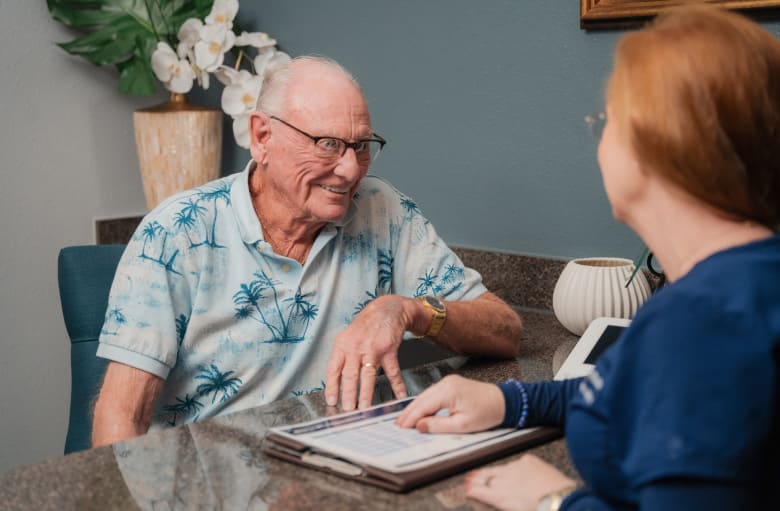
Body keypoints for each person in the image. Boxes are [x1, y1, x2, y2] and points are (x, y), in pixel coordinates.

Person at [397, 6, 780, 510]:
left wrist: (551, 500)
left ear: (651, 148)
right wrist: (511, 401)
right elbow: (630, 392)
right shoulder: (745, 280)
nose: (599, 140)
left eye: (606, 122)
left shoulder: (699, 322)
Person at [91, 56, 523, 446]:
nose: (351, 169)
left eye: (360, 146)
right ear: (262, 136)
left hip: (341, 469)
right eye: (328, 144)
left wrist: (408, 310)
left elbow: (505, 331)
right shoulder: (177, 232)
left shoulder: (380, 209)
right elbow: (121, 417)